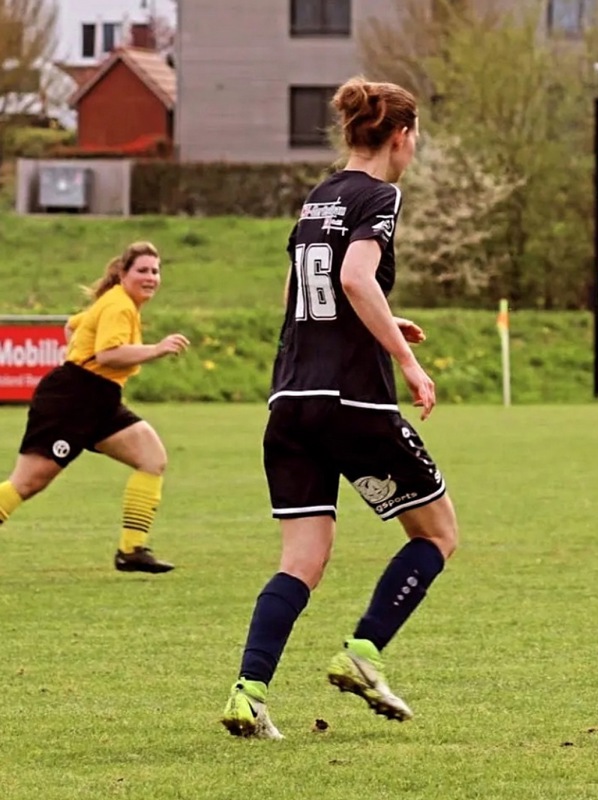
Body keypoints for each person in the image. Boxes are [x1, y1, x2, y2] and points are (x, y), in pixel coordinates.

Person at [220, 76, 458, 740]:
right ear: (401, 136)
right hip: (351, 402)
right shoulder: (380, 194)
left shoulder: (317, 197)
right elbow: (353, 278)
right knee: (437, 534)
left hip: (291, 401)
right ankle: (363, 653)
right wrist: (406, 362)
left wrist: (385, 319)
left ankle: (248, 693)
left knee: (302, 558)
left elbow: (317, 295)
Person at [0, 242, 188, 572]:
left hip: (99, 398)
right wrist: (155, 349)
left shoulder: (118, 302)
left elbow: (72, 325)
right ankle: (131, 550)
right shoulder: (119, 306)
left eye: (155, 271)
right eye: (142, 270)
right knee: (28, 482)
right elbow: (108, 354)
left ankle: (131, 550)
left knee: (151, 457)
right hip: (72, 400)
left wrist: (75, 358)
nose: (151, 277)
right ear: (122, 273)